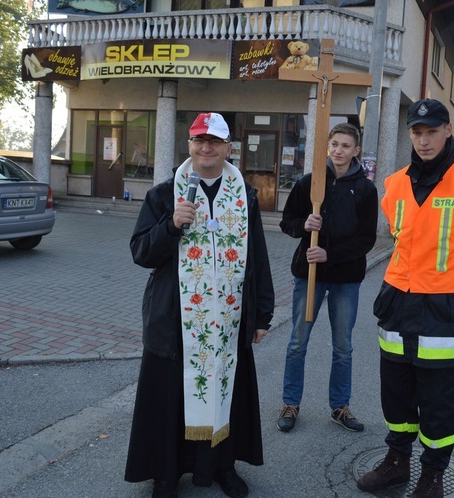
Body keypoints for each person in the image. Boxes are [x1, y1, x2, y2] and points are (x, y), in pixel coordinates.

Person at [357, 99, 454, 498]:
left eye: (432, 131)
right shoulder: (396, 183)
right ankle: (396, 462)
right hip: (398, 306)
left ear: (447, 132)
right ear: (410, 135)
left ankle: (433, 475)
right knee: (396, 394)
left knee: (439, 401)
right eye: (417, 133)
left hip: (446, 309)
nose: (424, 140)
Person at [125, 112, 275, 498]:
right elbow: (141, 252)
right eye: (198, 141)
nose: (205, 148)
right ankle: (165, 475)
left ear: (228, 148)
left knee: (226, 392)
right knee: (169, 400)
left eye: (214, 141)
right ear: (189, 145)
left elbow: (257, 256)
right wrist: (171, 225)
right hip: (175, 322)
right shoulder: (163, 195)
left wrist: (262, 314)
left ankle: (222, 466)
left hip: (226, 320)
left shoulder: (245, 197)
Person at [276, 122, 378, 433]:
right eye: (334, 144)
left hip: (346, 279)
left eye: (346, 146)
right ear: (328, 146)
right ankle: (290, 403)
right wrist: (303, 225)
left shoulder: (365, 189)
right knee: (297, 342)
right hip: (309, 276)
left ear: (356, 151)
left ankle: (340, 406)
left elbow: (366, 240)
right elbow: (287, 222)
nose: (339, 150)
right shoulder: (310, 183)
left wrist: (330, 255)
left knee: (343, 346)